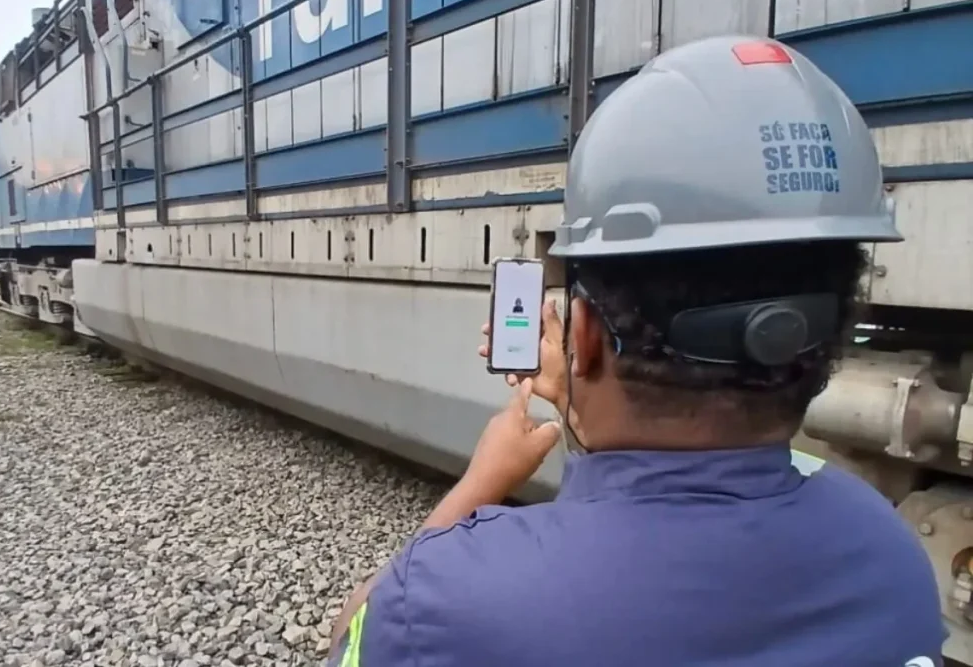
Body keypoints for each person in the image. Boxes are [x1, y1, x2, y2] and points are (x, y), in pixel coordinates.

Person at [327, 35, 945, 666]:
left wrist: (483, 481)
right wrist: (588, 401)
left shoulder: (443, 602)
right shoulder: (890, 555)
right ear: (833, 331)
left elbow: (355, 637)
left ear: (585, 336)